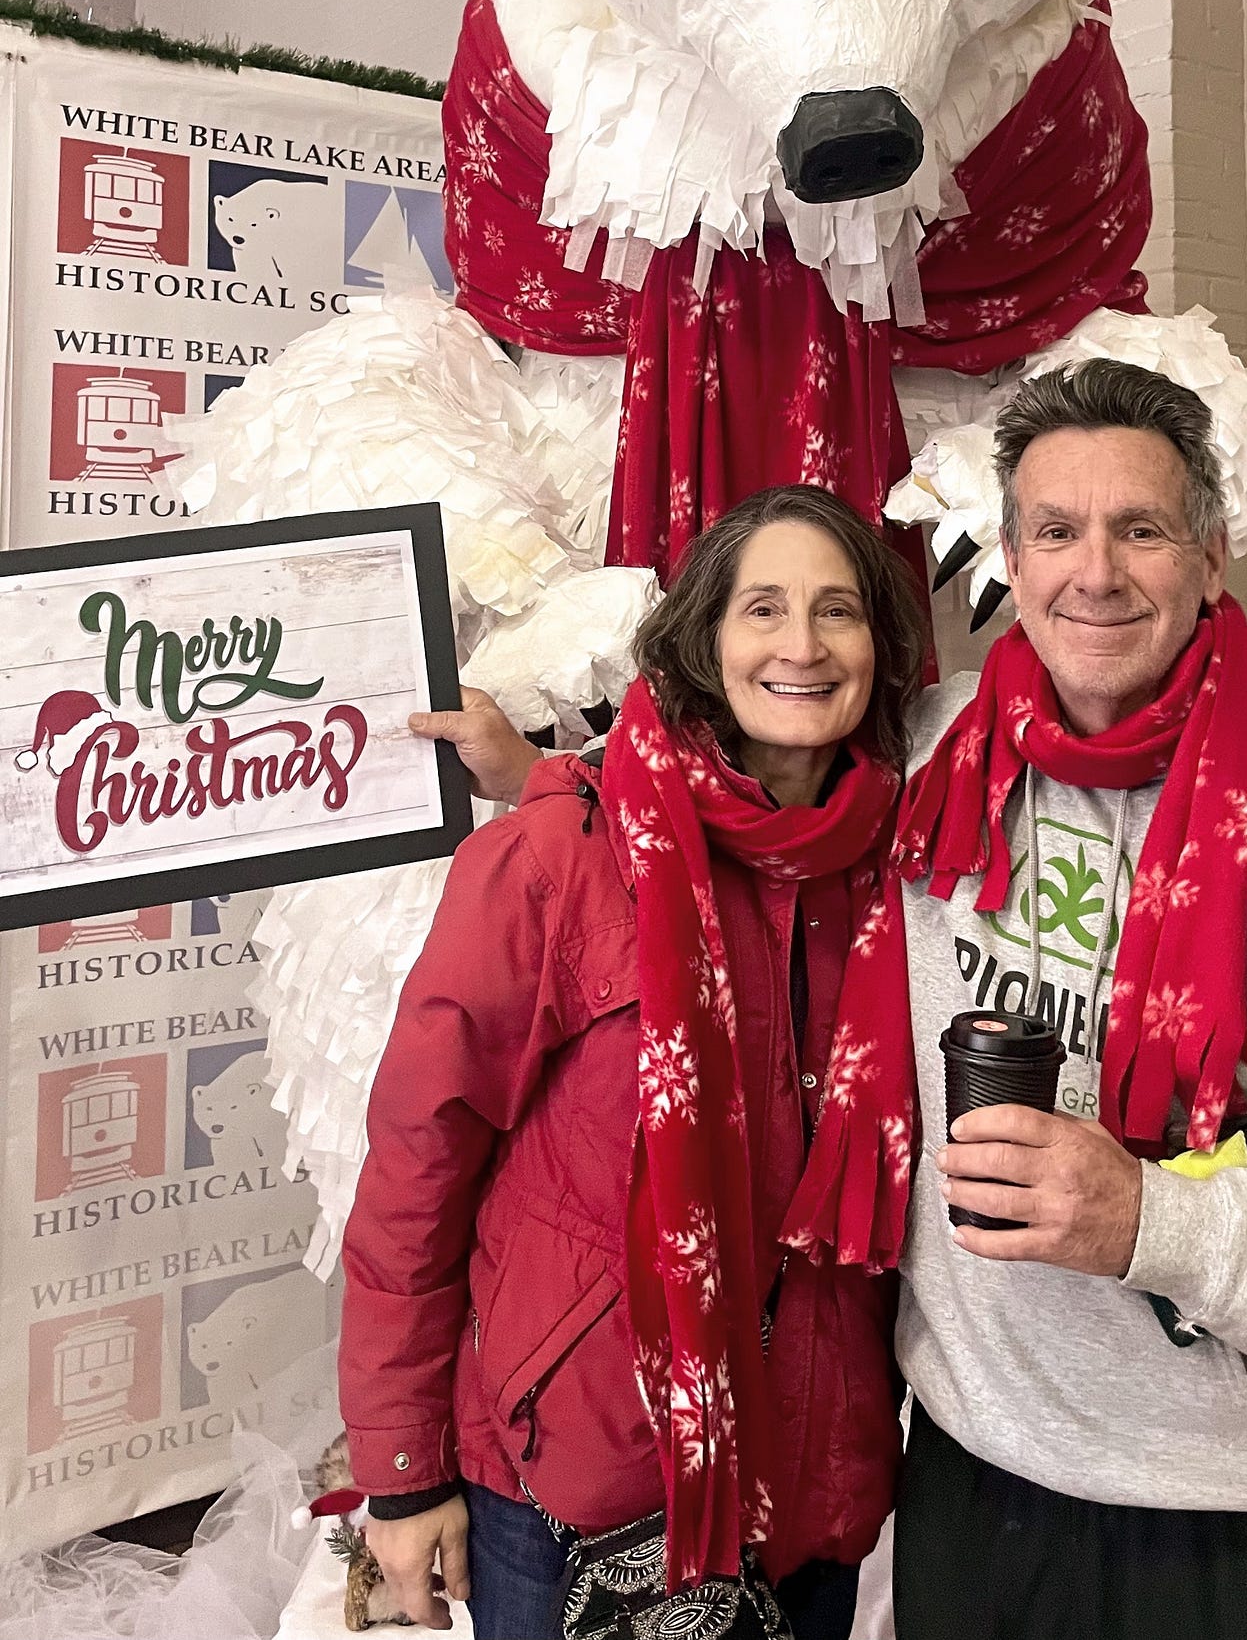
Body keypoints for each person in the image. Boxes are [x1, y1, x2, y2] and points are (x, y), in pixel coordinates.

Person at [890, 358, 1247, 1640]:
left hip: (1234, 1528)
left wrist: (1158, 1224)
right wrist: (536, 772)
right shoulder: (936, 756)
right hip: (972, 1482)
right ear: (1012, 560)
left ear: (1208, 560)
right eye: (1056, 530)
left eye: (1139, 529)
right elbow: (736, 787)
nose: (1094, 572)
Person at [339, 483, 928, 1640]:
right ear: (703, 641)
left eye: (837, 612)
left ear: (881, 646)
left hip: (811, 1459)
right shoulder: (561, 854)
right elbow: (419, 1158)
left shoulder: (902, 869)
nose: (799, 646)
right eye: (762, 609)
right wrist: (401, 1469)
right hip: (579, 1471)